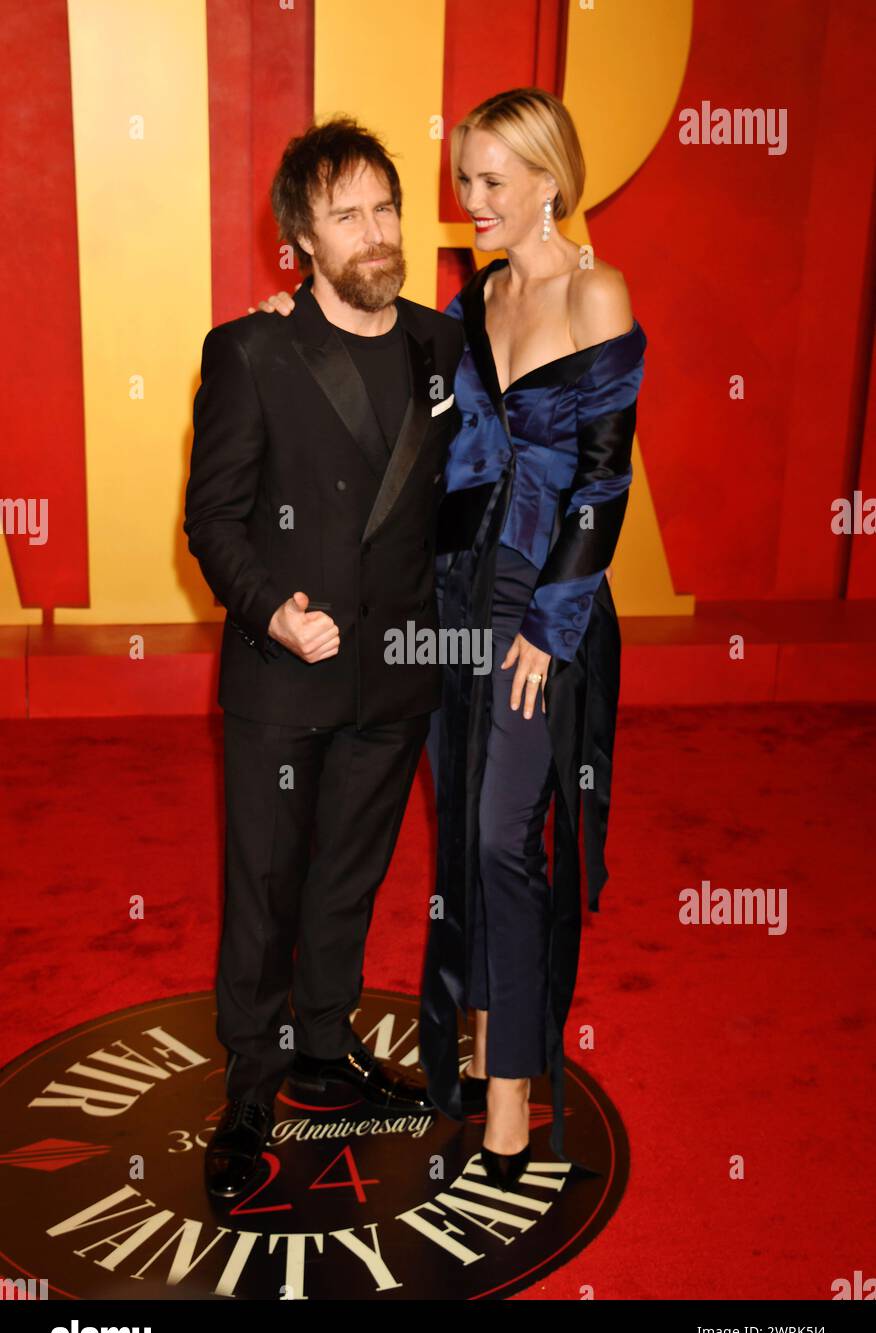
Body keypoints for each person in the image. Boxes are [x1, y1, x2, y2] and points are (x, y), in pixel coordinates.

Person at [256, 86, 646, 1193]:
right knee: (462, 839)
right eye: (463, 178)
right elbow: (385, 346)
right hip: (450, 600)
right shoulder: (473, 300)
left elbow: (605, 481)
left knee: (498, 838)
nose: (467, 200)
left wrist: (549, 625)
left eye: (489, 181)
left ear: (547, 180)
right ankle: (477, 1063)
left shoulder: (597, 292)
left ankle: (513, 1112)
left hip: (539, 601)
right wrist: (291, 315)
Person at [183, 117, 465, 1200]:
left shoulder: (441, 346)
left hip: (395, 674)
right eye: (346, 214)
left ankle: (321, 1045)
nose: (376, 231)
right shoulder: (250, 350)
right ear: (297, 239)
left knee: (349, 878)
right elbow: (213, 521)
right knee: (265, 887)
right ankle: (250, 1086)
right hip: (284, 674)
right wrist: (272, 613)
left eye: (385, 207)